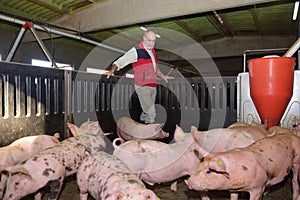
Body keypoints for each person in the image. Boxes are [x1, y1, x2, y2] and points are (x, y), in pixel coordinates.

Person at [105, 28, 174, 124]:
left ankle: (140, 124)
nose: (151, 43)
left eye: (153, 41)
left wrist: (163, 76)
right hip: (142, 85)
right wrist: (112, 70)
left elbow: (155, 68)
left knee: (146, 111)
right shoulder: (136, 51)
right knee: (151, 112)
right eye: (149, 40)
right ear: (144, 38)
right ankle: (149, 135)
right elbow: (122, 61)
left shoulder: (152, 51)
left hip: (152, 85)